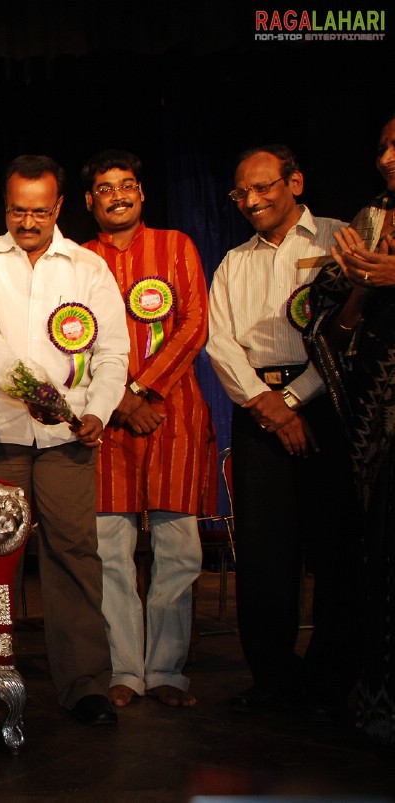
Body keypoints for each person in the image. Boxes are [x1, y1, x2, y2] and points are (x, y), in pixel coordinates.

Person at [0, 154, 130, 726]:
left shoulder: (88, 268)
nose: (26, 222)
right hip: (2, 434)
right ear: (6, 206)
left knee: (75, 555)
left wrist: (98, 412)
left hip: (68, 440)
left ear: (57, 208)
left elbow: (112, 354)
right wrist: (37, 392)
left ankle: (85, 685)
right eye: (16, 211)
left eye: (38, 211)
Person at [206, 144, 360, 721]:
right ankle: (271, 677)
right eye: (241, 193)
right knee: (265, 556)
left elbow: (351, 331)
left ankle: (329, 682)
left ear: (295, 182)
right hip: (258, 413)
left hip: (329, 406)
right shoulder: (233, 261)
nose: (251, 201)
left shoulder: (339, 240)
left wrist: (295, 400)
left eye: (263, 187)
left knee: (336, 550)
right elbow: (220, 342)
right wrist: (268, 405)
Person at [80, 150, 216, 709]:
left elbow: (195, 324)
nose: (118, 195)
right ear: (89, 201)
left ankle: (165, 671)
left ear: (142, 194)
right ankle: (123, 672)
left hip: (174, 415)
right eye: (105, 188)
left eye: (127, 185)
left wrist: (142, 391)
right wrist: (118, 401)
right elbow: (70, 340)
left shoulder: (177, 245)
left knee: (178, 550)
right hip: (104, 424)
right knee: (110, 551)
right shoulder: (77, 259)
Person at [305, 113, 395, 744]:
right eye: (383, 144)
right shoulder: (369, 222)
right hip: (377, 422)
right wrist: (363, 290)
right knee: (380, 562)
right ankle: (378, 705)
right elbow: (329, 329)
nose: (387, 157)